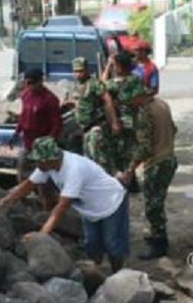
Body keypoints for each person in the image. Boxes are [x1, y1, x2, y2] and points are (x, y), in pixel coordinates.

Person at [0, 136, 130, 273]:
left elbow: (61, 208)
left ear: (50, 159)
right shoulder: (47, 166)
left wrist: (42, 234)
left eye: (38, 161)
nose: (36, 165)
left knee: (112, 243)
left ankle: (118, 274)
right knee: (92, 243)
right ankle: (96, 274)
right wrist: (8, 200)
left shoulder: (74, 170)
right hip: (89, 207)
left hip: (111, 201)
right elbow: (30, 184)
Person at [118, 87, 178, 260]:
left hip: (157, 163)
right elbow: (174, 129)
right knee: (156, 201)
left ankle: (158, 244)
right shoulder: (162, 104)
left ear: (138, 96)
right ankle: (157, 238)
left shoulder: (145, 112)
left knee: (153, 206)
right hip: (169, 158)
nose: (129, 104)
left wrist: (131, 168)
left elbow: (145, 147)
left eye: (130, 100)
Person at [69, 57, 121, 174]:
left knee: (100, 161)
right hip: (84, 129)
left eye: (80, 71)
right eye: (75, 71)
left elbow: (108, 101)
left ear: (87, 70)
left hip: (95, 128)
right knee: (88, 161)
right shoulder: (77, 85)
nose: (77, 74)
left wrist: (114, 122)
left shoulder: (94, 84)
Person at [102, 51, 147, 184]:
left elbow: (139, 100)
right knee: (122, 151)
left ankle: (128, 180)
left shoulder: (130, 81)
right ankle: (128, 179)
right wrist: (109, 65)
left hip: (127, 122)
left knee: (126, 152)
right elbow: (102, 86)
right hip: (121, 121)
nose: (114, 68)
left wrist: (120, 102)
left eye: (115, 65)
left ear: (120, 67)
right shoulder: (123, 81)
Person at [13, 67, 63, 181]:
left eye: (31, 83)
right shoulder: (26, 94)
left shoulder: (50, 99)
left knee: (43, 180)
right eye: (27, 83)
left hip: (42, 147)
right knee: (21, 175)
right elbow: (23, 115)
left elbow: (57, 123)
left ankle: (45, 197)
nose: (29, 86)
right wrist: (17, 132)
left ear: (40, 81)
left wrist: (50, 141)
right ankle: (23, 197)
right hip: (28, 144)